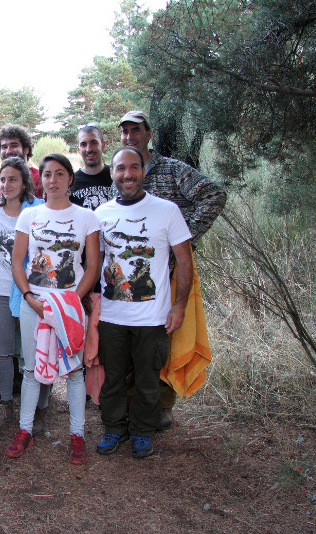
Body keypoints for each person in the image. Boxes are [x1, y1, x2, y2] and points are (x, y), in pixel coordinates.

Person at [118, 110, 227, 428]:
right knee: (130, 341)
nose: (129, 136)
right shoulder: (124, 171)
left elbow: (214, 194)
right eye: (124, 132)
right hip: (133, 275)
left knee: (164, 340)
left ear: (148, 134)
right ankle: (128, 404)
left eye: (135, 130)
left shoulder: (172, 169)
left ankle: (161, 407)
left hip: (169, 272)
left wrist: (186, 237)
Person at [94, 146, 192, 458]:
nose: (127, 174)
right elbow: (94, 263)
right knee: (113, 378)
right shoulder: (101, 215)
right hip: (111, 314)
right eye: (120, 168)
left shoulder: (167, 211)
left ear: (143, 171)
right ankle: (114, 428)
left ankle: (141, 431)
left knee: (149, 378)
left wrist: (179, 306)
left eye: (133, 167)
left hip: (153, 317)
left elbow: (185, 262)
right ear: (112, 173)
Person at [5, 153, 100, 464]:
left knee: (73, 372)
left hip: (69, 306)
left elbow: (92, 267)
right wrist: (30, 297)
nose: (53, 180)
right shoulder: (29, 216)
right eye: (47, 174)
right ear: (39, 180)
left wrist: (72, 300)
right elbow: (17, 263)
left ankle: (77, 436)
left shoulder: (87, 218)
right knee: (31, 371)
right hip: (35, 303)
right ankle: (25, 432)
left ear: (70, 179)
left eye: (60, 174)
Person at [0, 157, 41, 429]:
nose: (7, 184)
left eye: (13, 178)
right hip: (1, 292)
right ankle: (6, 405)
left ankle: (38, 407)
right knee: (4, 352)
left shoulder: (37, 210)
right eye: (3, 179)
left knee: (34, 352)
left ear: (25, 182)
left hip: (32, 292)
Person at [70, 125, 116, 407]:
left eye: (94, 143)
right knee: (89, 328)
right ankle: (89, 391)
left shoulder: (117, 174)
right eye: (84, 144)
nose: (89, 149)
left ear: (103, 144)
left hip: (117, 265)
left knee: (112, 328)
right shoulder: (72, 182)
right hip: (87, 268)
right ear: (78, 148)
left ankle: (111, 389)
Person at [0, 124, 44, 198]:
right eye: (4, 147)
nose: (8, 151)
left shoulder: (40, 179)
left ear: (26, 150)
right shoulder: (1, 185)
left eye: (14, 146)